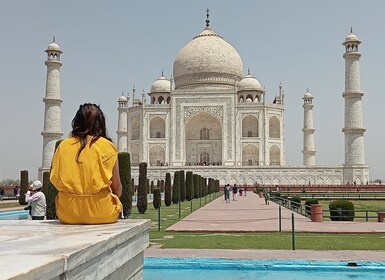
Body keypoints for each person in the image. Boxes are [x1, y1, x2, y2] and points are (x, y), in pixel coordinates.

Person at [50, 103, 123, 224]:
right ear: (100, 123)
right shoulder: (107, 146)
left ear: (77, 121)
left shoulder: (63, 146)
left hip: (68, 212)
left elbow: (55, 180)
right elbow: (118, 188)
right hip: (102, 212)